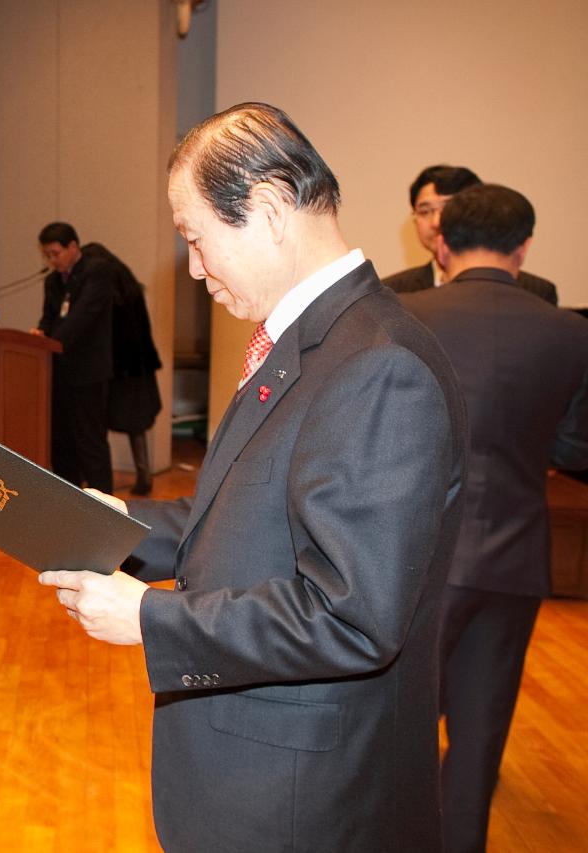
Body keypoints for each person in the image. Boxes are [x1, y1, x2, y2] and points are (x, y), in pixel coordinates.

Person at [38, 103, 467, 852]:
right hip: (256, 773)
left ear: (269, 208)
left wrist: (149, 618)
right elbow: (246, 511)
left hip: (303, 802)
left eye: (198, 240)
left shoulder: (378, 365)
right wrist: (119, 520)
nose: (196, 269)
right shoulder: (312, 340)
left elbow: (350, 616)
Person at [399, 184, 588, 853]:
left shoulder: (405, 315)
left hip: (418, 557)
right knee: (479, 739)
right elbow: (575, 448)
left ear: (443, 240)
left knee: (398, 728)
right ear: (525, 245)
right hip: (515, 556)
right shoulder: (571, 331)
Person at [381, 164, 558, 304]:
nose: (436, 222)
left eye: (447, 208)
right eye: (425, 211)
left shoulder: (536, 291)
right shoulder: (392, 291)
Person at [33, 222, 114, 492]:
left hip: (89, 373)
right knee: (62, 442)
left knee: (90, 443)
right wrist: (39, 333)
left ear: (73, 247)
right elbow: (49, 318)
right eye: (47, 255)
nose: (52, 260)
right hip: (58, 372)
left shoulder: (97, 272)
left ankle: (106, 509)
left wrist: (51, 339)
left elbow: (82, 318)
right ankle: (67, 503)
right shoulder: (52, 281)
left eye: (55, 253)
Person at [81, 242, 163, 495]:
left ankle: (95, 479)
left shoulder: (106, 288)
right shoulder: (128, 285)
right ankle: (144, 476)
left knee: (97, 422)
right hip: (139, 366)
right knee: (135, 426)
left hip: (118, 368)